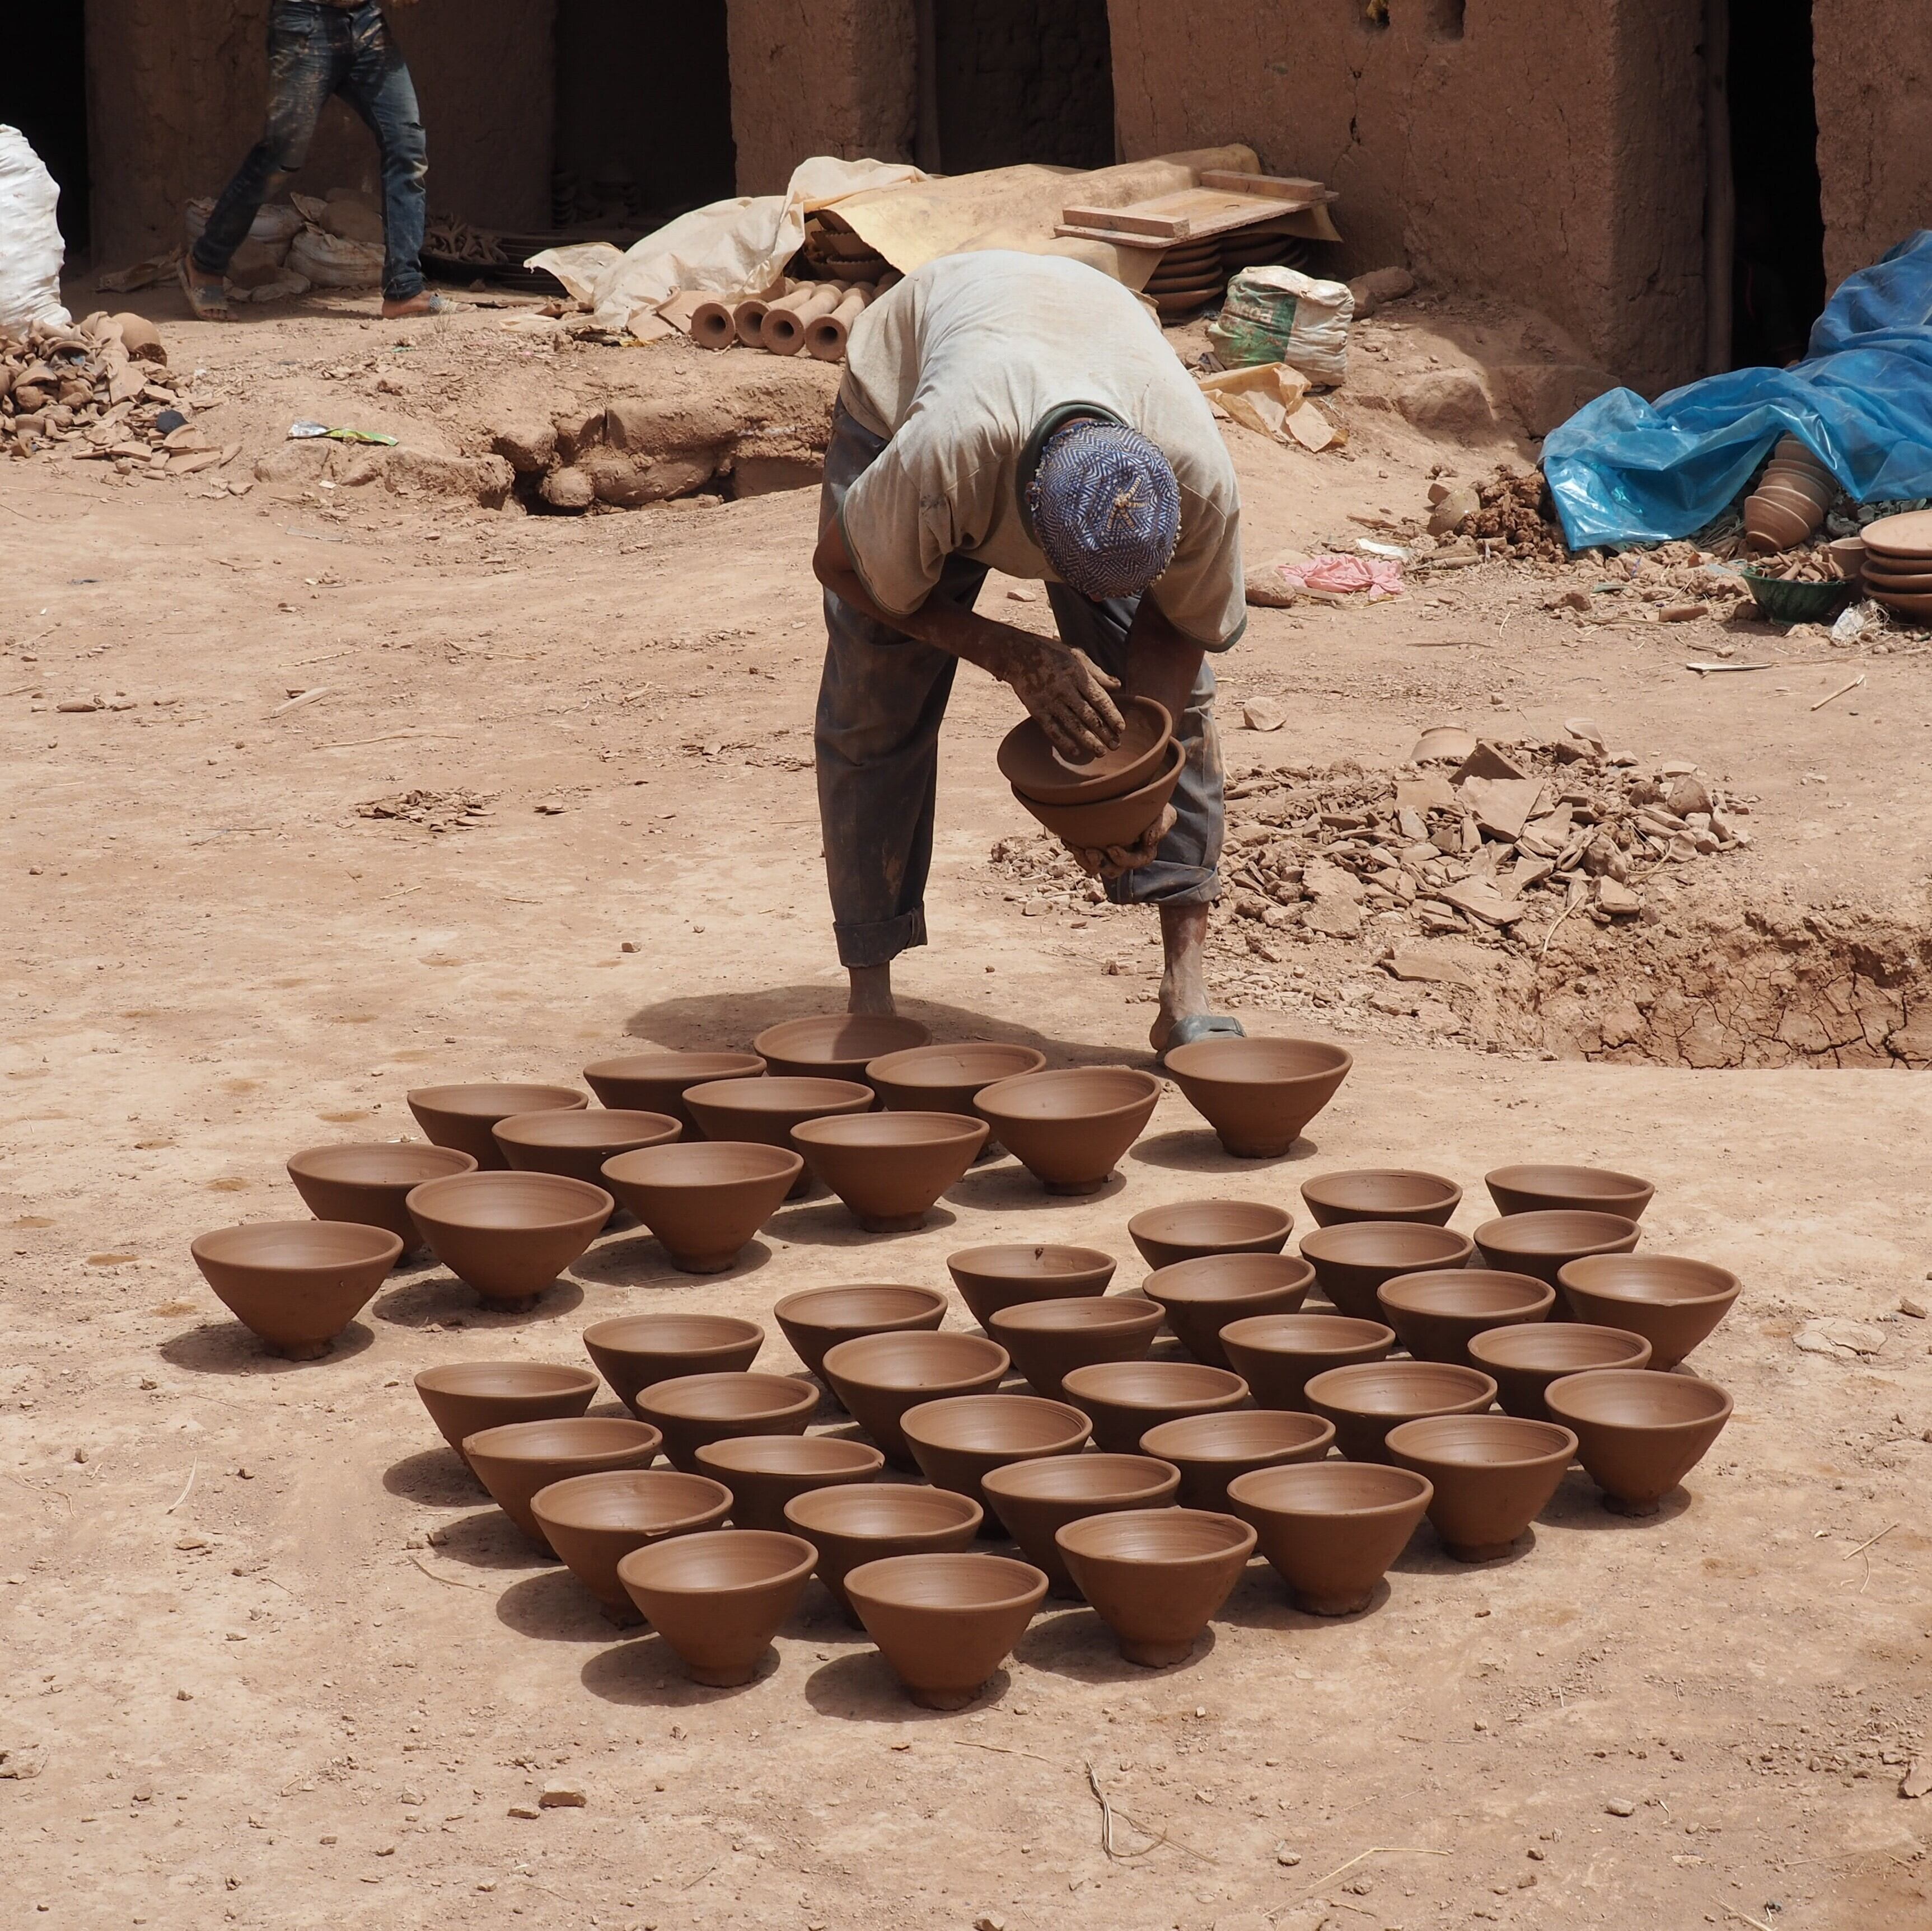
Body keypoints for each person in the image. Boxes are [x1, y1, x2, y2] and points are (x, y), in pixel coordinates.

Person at [810, 249, 1248, 1057]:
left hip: (1083, 330)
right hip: (915, 375)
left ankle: (1184, 986)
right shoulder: (946, 453)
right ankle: (870, 994)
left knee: (1182, 711)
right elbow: (841, 567)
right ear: (1025, 521)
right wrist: (1008, 651)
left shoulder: (1190, 480)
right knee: (876, 687)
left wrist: (1137, 778)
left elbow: (1177, 628)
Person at [180, 0, 450, 322]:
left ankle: (403, 288)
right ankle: (206, 262)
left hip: (366, 19)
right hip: (305, 20)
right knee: (280, 157)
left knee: (407, 145)